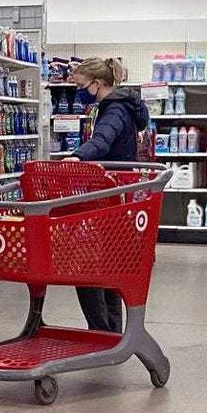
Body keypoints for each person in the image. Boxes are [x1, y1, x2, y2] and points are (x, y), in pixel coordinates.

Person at [65, 57, 150, 333]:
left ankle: (102, 332)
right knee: (110, 264)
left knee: (86, 267)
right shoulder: (123, 105)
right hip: (118, 197)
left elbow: (102, 141)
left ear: (97, 84)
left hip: (110, 196)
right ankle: (111, 332)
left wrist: (77, 157)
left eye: (80, 85)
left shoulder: (113, 111)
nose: (78, 91)